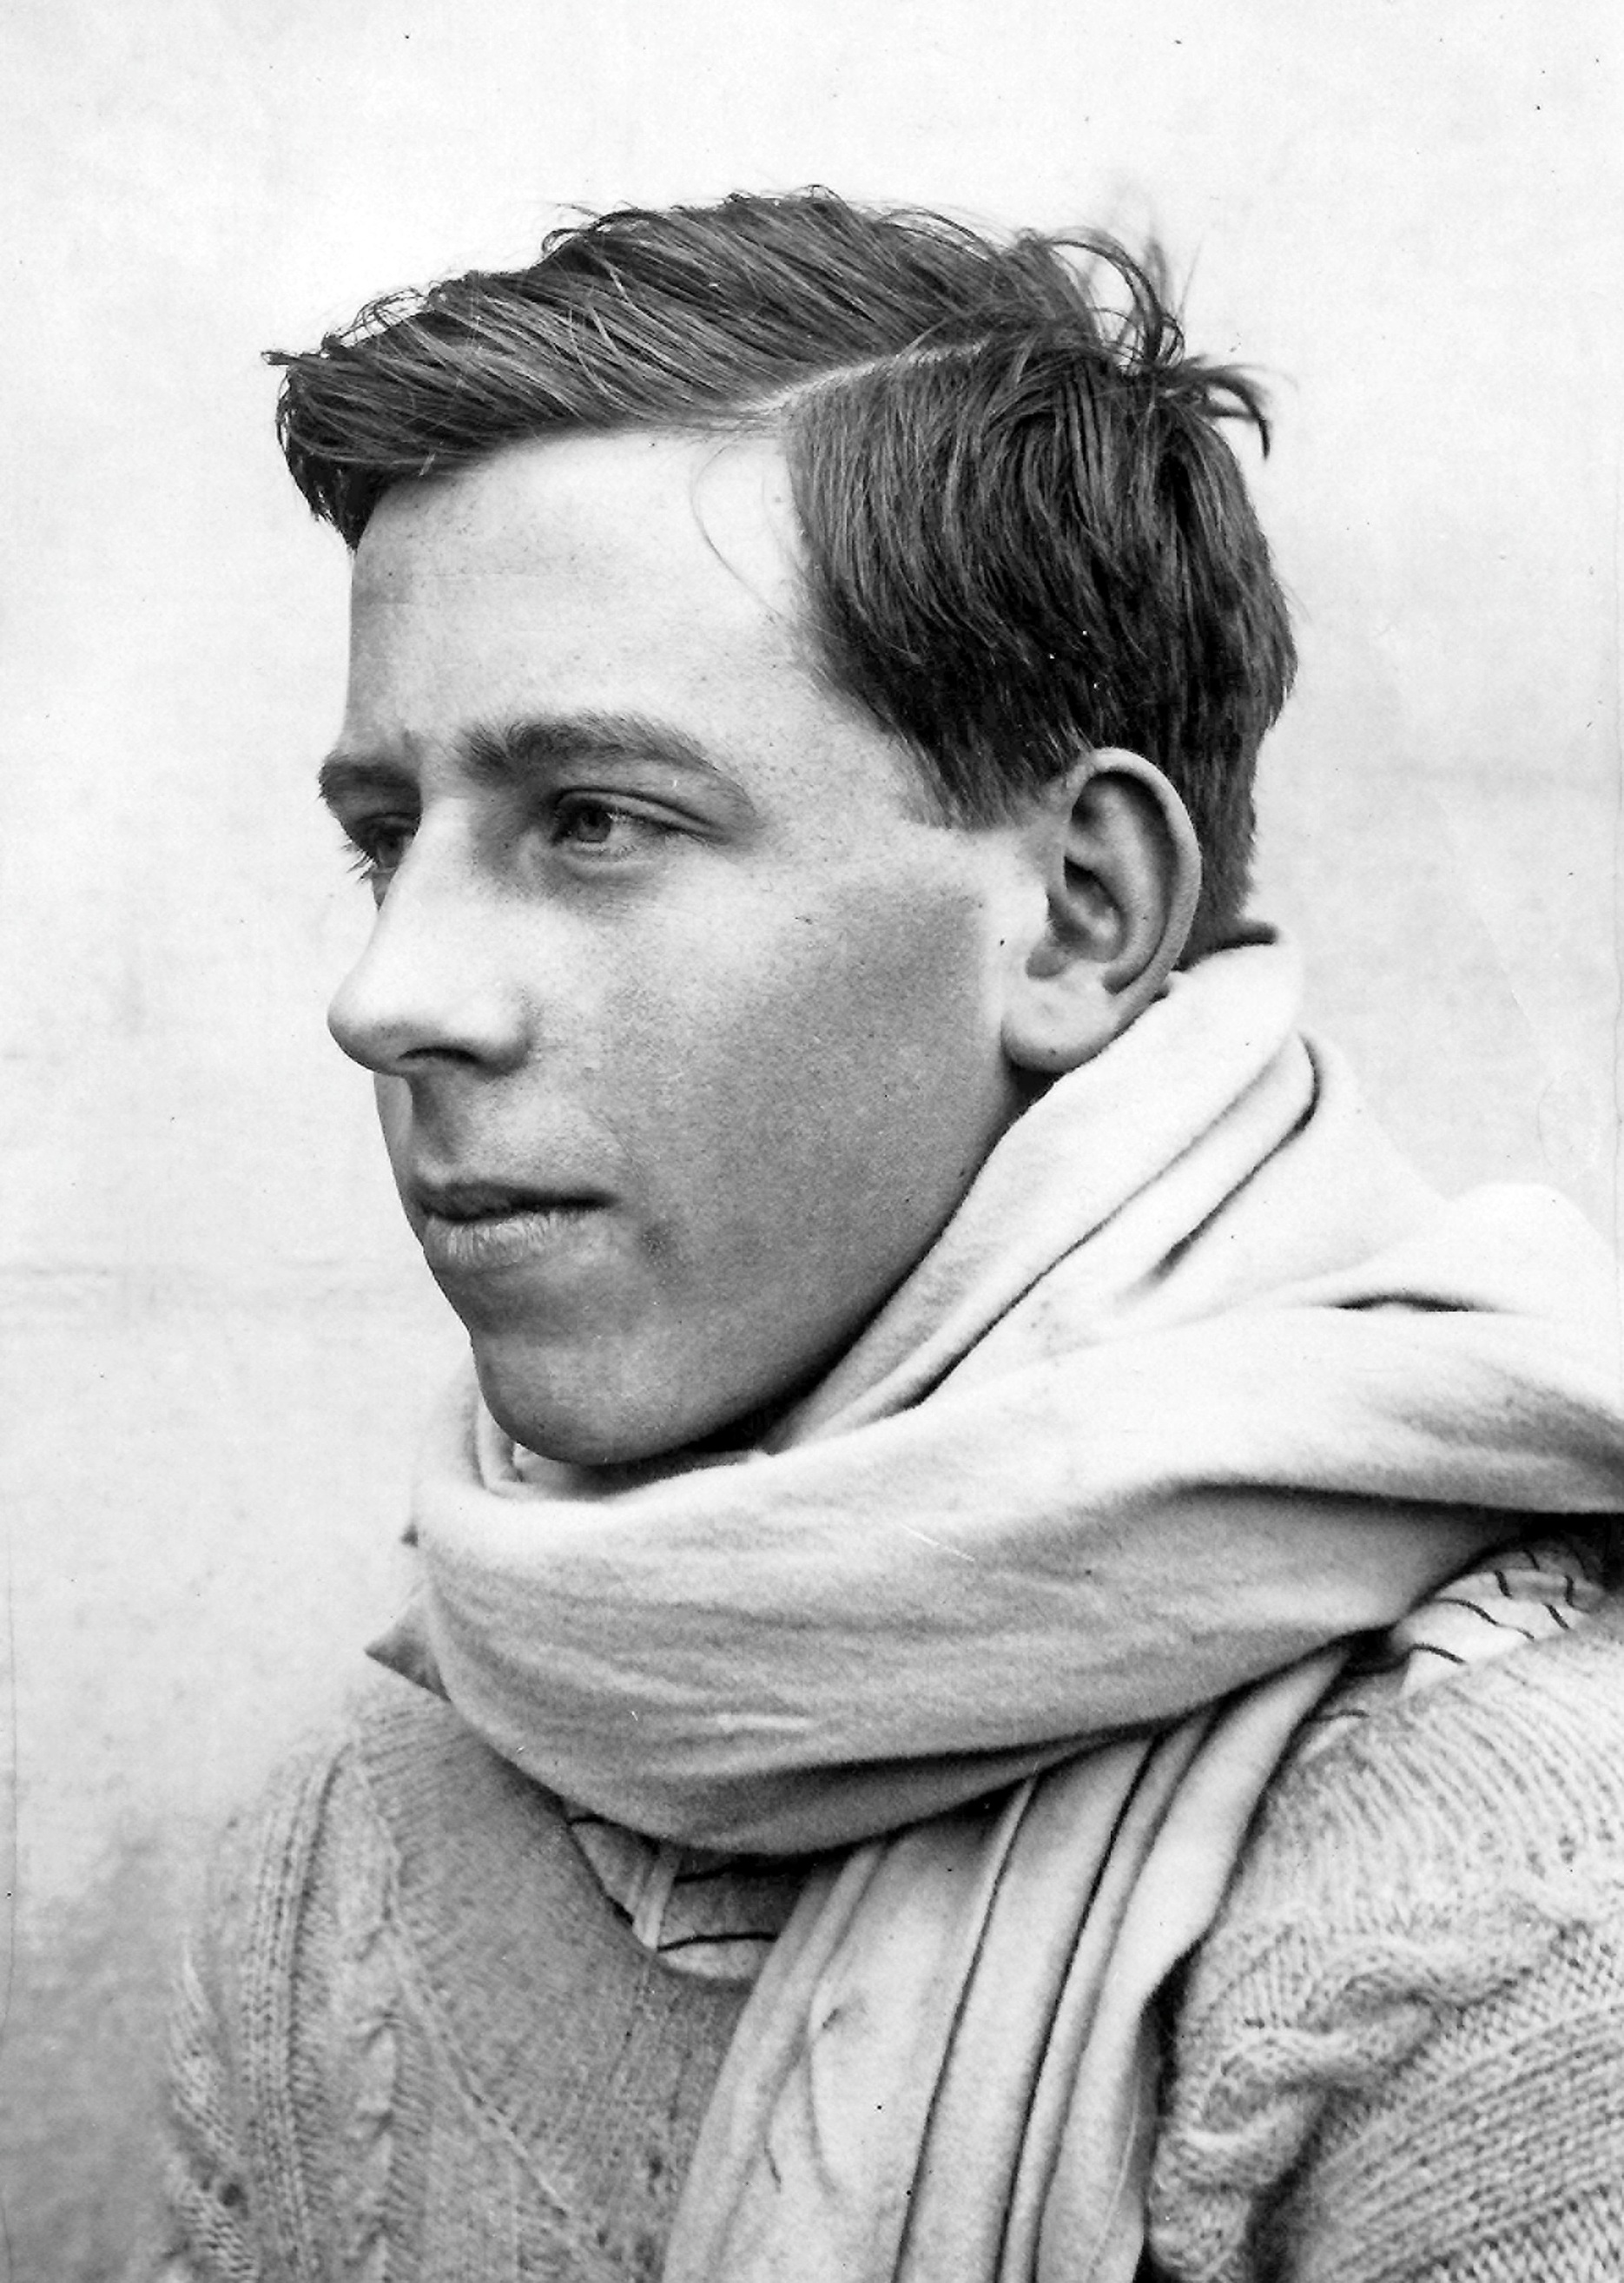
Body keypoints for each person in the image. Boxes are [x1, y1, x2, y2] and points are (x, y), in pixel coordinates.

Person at [146, 192, 1624, 2281]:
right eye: (389, 840)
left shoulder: (1525, 1907)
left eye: (595, 820)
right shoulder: (359, 1825)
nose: (387, 996)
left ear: (1079, 912)